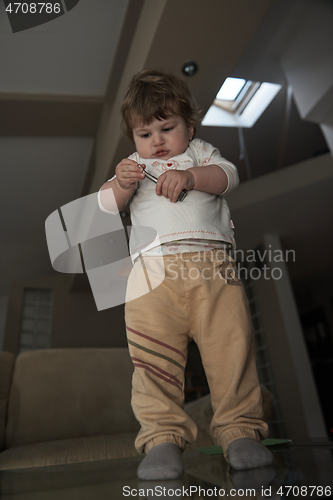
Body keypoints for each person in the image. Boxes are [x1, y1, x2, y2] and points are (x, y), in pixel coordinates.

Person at [98, 69, 272, 480]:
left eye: (167, 128)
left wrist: (192, 176)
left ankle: (240, 430)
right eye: (144, 134)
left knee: (232, 350)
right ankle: (161, 439)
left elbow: (229, 176)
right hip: (150, 279)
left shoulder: (199, 152)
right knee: (153, 362)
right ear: (134, 140)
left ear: (188, 126)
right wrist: (121, 184)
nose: (156, 142)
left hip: (212, 270)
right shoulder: (134, 167)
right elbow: (106, 206)